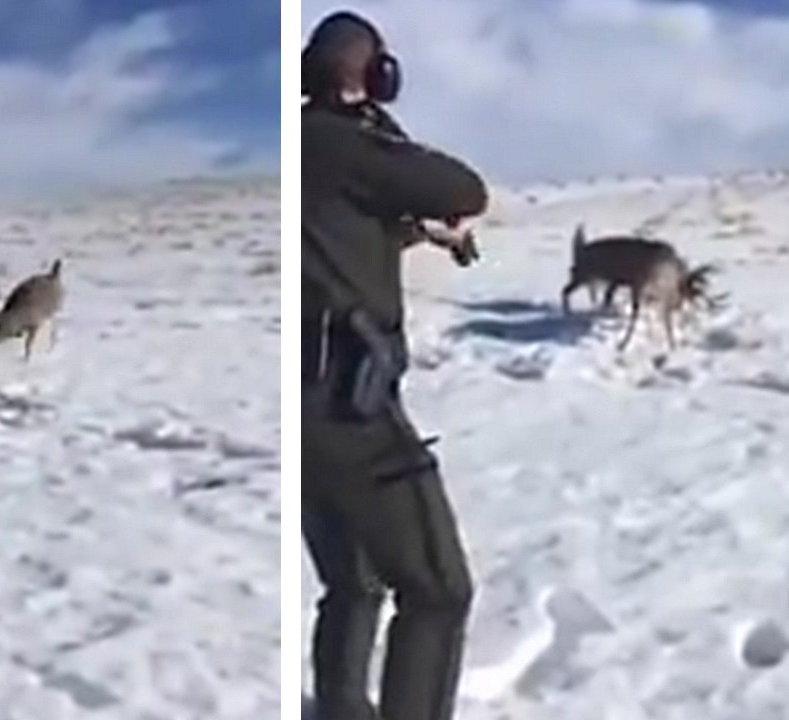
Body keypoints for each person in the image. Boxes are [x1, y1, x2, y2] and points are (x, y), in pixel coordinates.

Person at [301, 10, 489, 720]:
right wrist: (378, 131)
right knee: (438, 591)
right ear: (375, 75)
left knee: (354, 585)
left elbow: (335, 236)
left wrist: (411, 232)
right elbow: (463, 187)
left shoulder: (304, 152)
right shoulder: (349, 143)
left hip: (302, 411)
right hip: (349, 404)